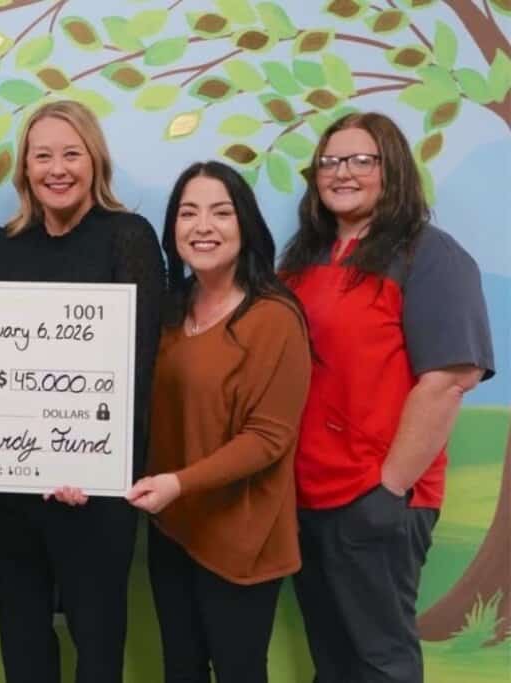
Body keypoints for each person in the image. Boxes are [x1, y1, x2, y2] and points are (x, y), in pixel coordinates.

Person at [279, 112, 495, 683]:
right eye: (330, 161)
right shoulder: (303, 262)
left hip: (375, 496)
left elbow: (449, 379)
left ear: (392, 169)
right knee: (332, 659)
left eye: (361, 160)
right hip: (305, 496)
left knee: (381, 661)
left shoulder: (429, 255)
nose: (342, 172)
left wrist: (390, 488)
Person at [0, 100, 165, 683]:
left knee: (97, 637)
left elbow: (137, 363)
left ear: (95, 161)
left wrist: (84, 459)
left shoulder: (128, 236)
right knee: (22, 635)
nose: (57, 169)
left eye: (71, 154)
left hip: (95, 485)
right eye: (42, 156)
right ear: (25, 169)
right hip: (12, 483)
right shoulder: (2, 246)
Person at [126, 161, 311, 683]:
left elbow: (268, 438)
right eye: (188, 213)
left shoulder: (274, 317)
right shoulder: (168, 310)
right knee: (180, 669)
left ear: (245, 224)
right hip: (172, 527)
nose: (202, 226)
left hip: (242, 536)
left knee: (238, 670)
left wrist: (178, 483)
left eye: (221, 213)